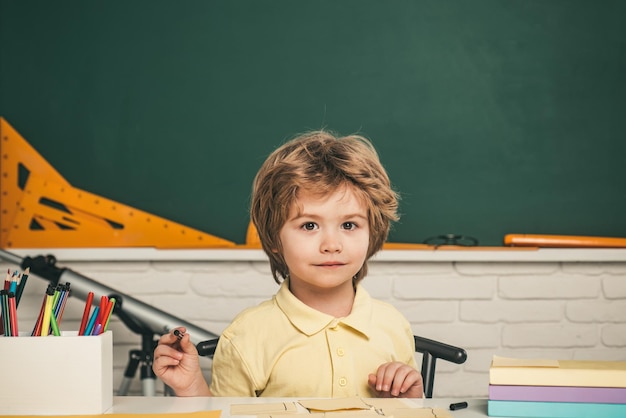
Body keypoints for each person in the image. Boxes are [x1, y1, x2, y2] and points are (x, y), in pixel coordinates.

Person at [153, 130, 423, 398]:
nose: (331, 244)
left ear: (371, 233)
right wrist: (191, 389)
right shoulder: (247, 335)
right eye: (309, 225)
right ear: (274, 239)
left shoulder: (393, 326)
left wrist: (410, 406)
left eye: (349, 225)